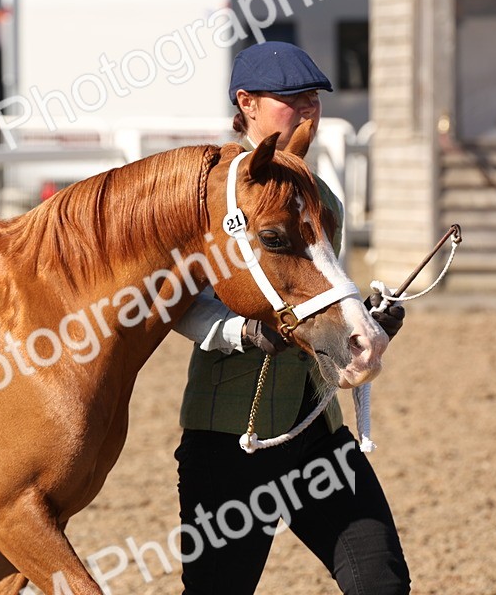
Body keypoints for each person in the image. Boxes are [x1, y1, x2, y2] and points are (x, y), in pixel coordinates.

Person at [171, 41, 410, 595]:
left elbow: (320, 295)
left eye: (313, 98)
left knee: (381, 582)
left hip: (317, 436)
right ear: (246, 102)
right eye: (291, 98)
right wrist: (242, 331)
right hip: (231, 442)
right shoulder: (209, 193)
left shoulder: (320, 195)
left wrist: (365, 322)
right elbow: (176, 304)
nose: (308, 109)